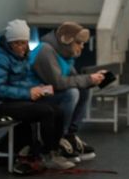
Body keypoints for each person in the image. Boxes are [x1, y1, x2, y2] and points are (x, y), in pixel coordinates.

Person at [0, 19, 75, 173]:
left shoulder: (23, 56)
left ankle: (53, 150)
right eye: (17, 43)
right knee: (45, 112)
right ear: (9, 42)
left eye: (24, 43)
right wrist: (28, 92)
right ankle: (48, 155)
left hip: (16, 100)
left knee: (57, 111)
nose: (21, 47)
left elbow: (23, 80)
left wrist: (36, 88)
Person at [31, 21, 104, 161]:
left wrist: (94, 80)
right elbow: (58, 83)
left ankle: (70, 135)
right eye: (78, 43)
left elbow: (74, 79)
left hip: (48, 89)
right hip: (36, 92)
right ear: (66, 40)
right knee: (72, 93)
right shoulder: (45, 50)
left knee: (83, 90)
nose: (82, 47)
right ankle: (60, 137)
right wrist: (88, 79)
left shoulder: (64, 54)